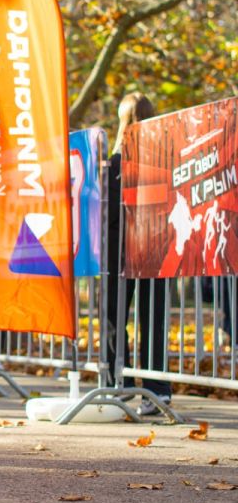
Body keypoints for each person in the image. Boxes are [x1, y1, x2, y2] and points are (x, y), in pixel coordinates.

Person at [104, 93, 172, 415]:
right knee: (154, 320)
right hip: (157, 250)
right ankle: (158, 391)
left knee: (114, 319)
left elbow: (108, 216)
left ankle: (119, 384)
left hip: (120, 254)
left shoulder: (114, 164)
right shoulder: (165, 160)